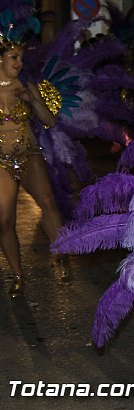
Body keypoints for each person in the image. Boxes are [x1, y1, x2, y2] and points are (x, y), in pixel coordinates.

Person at [0, 42, 62, 297]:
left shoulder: (26, 85)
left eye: (22, 58)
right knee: (4, 220)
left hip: (28, 155)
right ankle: (17, 275)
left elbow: (49, 121)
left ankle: (62, 253)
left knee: (48, 202)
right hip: (0, 162)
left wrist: (33, 101)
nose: (19, 63)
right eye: (14, 57)